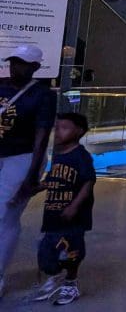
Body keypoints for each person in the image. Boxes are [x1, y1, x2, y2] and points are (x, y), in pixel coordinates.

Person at [0, 44, 57, 299]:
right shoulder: (1, 86)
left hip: (20, 159)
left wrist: (32, 176)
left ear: (35, 67)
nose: (15, 67)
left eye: (22, 63)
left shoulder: (42, 95)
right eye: (13, 62)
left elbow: (41, 136)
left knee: (5, 216)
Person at [28, 112, 95, 306]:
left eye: (64, 128)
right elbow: (53, 178)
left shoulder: (81, 156)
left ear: (79, 131)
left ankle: (70, 283)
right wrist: (37, 187)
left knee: (71, 251)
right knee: (46, 250)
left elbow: (88, 182)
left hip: (73, 218)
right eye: (57, 128)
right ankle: (54, 278)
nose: (58, 132)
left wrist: (74, 206)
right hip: (53, 214)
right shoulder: (58, 156)